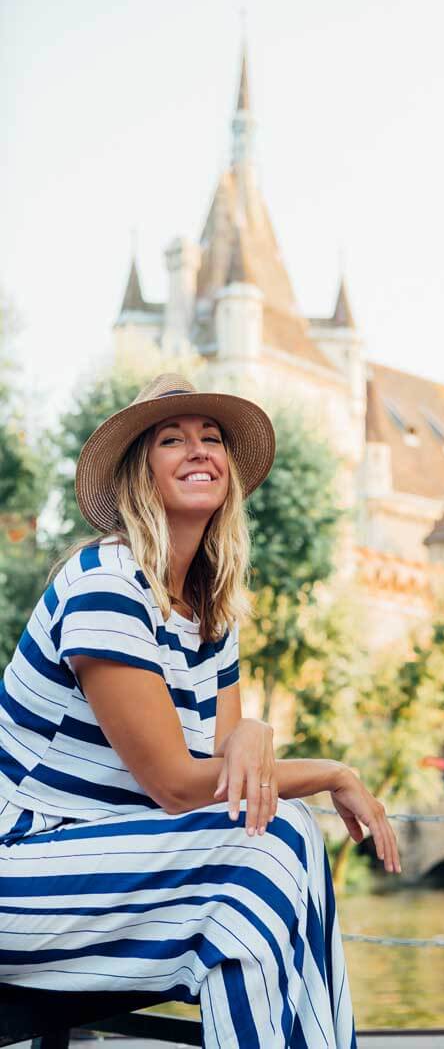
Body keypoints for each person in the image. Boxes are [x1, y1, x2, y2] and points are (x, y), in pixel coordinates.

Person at [0, 373, 401, 1048]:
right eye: (172, 439)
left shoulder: (209, 612)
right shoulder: (106, 584)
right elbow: (179, 785)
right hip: (22, 865)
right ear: (139, 473)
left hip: (109, 867)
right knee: (257, 858)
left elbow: (233, 776)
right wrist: (333, 771)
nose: (199, 450)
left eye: (212, 438)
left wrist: (252, 732)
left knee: (289, 832)